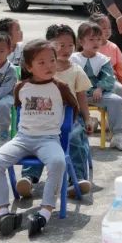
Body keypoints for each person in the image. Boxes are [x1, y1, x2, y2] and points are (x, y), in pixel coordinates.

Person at [0, 40, 79, 237]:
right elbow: (18, 109)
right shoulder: (21, 87)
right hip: (22, 139)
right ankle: (4, 213)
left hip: (48, 140)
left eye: (52, 61)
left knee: (57, 162)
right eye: (42, 62)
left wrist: (66, 129)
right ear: (29, 67)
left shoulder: (61, 87)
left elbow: (73, 108)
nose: (49, 66)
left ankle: (45, 212)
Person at [25, 25, 94, 200]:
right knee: (35, 138)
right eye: (60, 45)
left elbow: (82, 97)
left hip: (69, 117)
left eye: (70, 45)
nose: (66, 49)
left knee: (75, 138)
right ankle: (28, 178)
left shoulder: (76, 70)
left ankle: (76, 179)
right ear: (48, 45)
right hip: (43, 115)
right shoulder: (41, 70)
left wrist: (87, 119)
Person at [73, 21, 122, 151]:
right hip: (76, 96)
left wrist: (100, 88)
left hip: (96, 95)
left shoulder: (103, 59)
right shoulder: (73, 59)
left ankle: (117, 135)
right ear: (81, 41)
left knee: (117, 100)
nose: (96, 42)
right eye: (91, 39)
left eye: (98, 39)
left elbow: (109, 77)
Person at [90, 12, 122, 98]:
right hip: (90, 81)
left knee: (119, 89)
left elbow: (121, 66)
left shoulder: (113, 47)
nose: (107, 31)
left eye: (109, 28)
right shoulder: (87, 46)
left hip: (109, 80)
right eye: (104, 28)